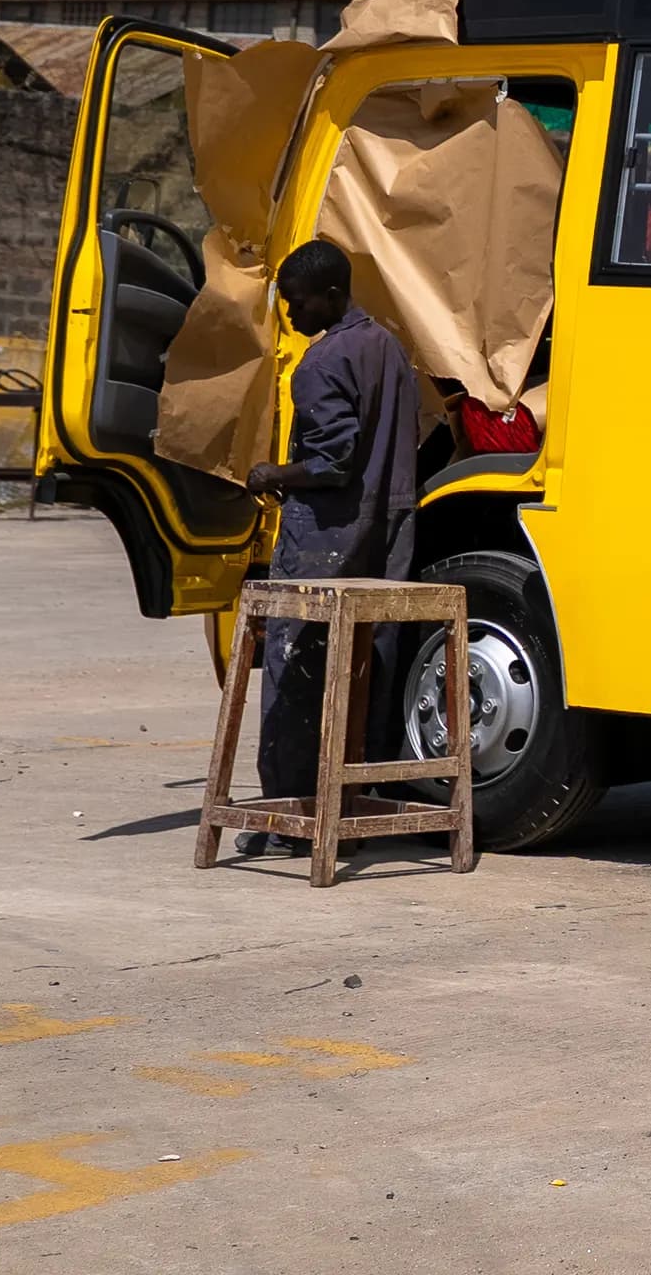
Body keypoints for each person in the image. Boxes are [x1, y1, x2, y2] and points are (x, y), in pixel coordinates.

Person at [237, 239, 425, 846]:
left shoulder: (322, 364)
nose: (290, 315)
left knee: (297, 668)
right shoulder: (391, 349)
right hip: (388, 529)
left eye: (296, 303)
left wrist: (272, 474)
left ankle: (288, 814)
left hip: (327, 535)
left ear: (333, 296)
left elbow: (333, 462)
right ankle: (354, 805)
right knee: (371, 667)